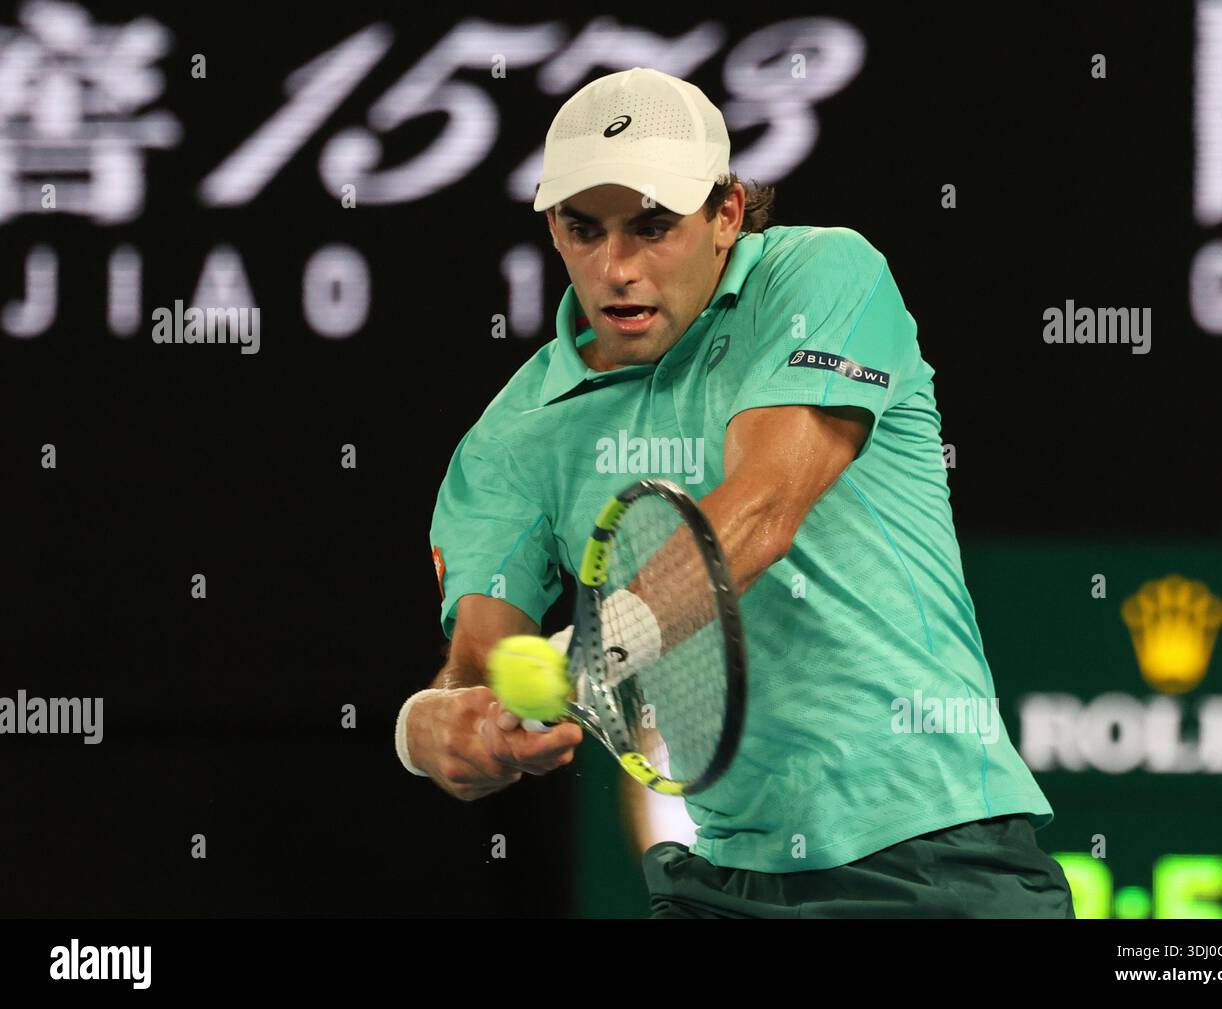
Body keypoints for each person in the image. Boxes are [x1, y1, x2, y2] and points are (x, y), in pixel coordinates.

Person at [395, 66, 1074, 918]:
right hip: (726, 882)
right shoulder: (510, 442)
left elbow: (759, 514)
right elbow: (482, 672)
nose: (617, 268)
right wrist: (433, 728)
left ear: (725, 215)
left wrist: (593, 658)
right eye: (584, 229)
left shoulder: (823, 276)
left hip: (942, 860)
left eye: (652, 226)